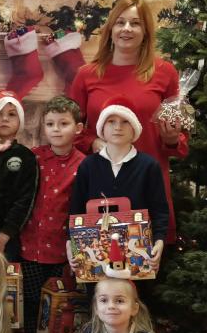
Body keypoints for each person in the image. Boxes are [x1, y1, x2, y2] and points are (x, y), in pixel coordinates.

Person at [69, 0, 188, 242]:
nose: (127, 29)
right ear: (110, 29)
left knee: (146, 261)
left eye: (135, 23)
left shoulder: (165, 73)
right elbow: (73, 130)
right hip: (101, 189)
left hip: (147, 186)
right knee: (99, 257)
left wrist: (172, 139)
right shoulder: (86, 75)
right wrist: (93, 142)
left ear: (146, 32)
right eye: (120, 22)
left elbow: (180, 140)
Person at [68, 95, 168, 270]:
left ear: (134, 127)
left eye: (125, 121)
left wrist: (159, 241)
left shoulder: (148, 166)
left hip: (137, 259)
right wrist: (70, 244)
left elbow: (159, 210)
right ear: (102, 127)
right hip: (96, 259)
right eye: (111, 121)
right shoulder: (88, 165)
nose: (118, 127)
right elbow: (76, 209)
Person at [20, 96, 85, 333]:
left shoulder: (84, 164)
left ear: (78, 128)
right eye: (50, 124)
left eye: (63, 123)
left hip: (62, 251)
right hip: (31, 248)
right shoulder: (34, 158)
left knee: (59, 307)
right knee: (30, 303)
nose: (56, 129)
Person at [0, 89, 38, 261]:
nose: (4, 119)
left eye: (11, 114)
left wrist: (4, 236)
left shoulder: (26, 156)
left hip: (7, 237)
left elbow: (25, 201)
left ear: (20, 121)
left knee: (4, 275)